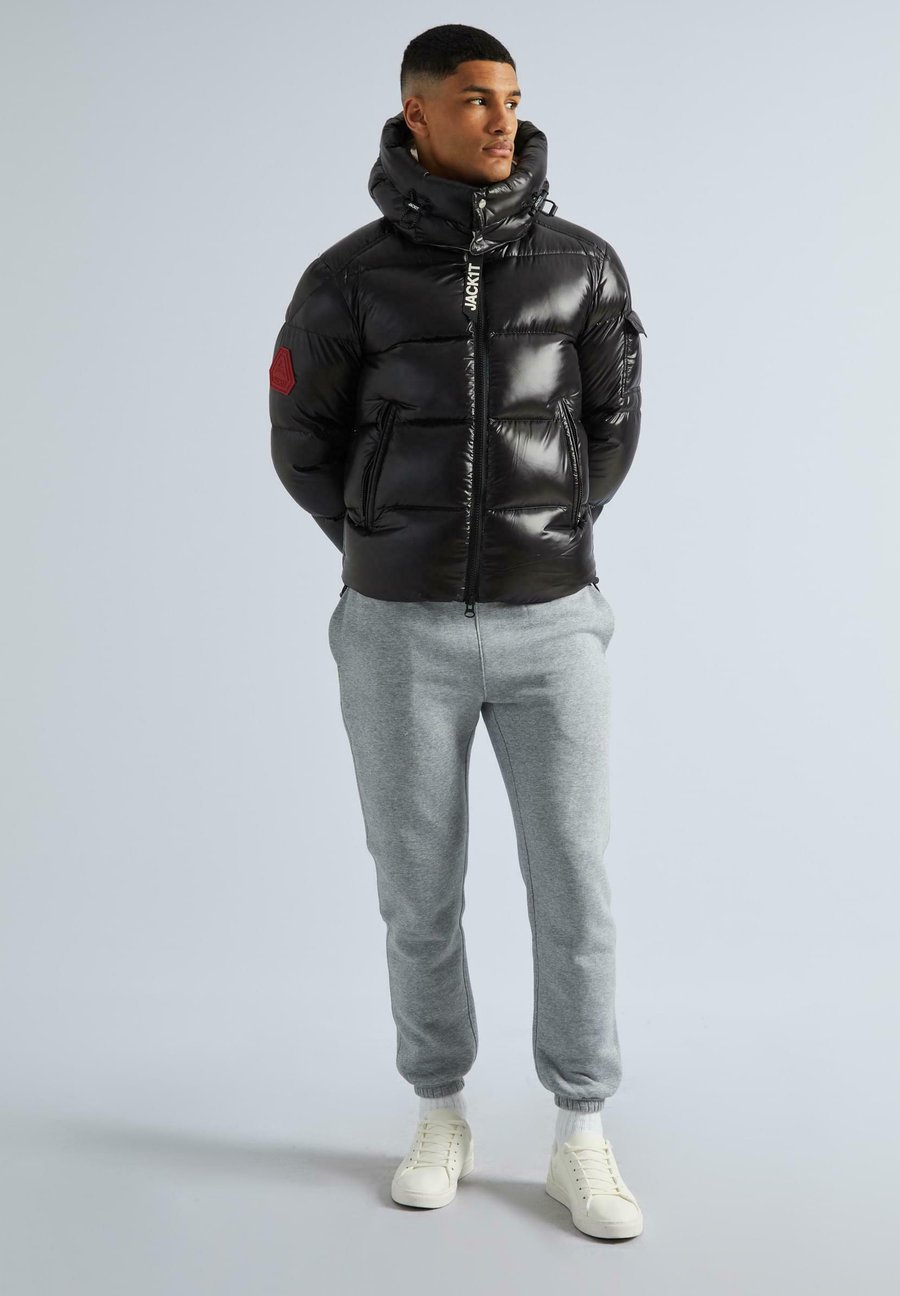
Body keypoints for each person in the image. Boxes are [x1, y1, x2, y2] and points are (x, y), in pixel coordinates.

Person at [269, 24, 647, 1240]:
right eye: (477, 100)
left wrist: (545, 532)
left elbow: (612, 427)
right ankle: (440, 1109)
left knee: (573, 878)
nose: (503, 119)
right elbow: (301, 443)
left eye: (514, 99)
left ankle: (581, 1133)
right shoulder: (347, 279)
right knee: (417, 887)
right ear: (417, 113)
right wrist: (385, 538)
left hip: (555, 627)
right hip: (397, 632)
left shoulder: (584, 265)